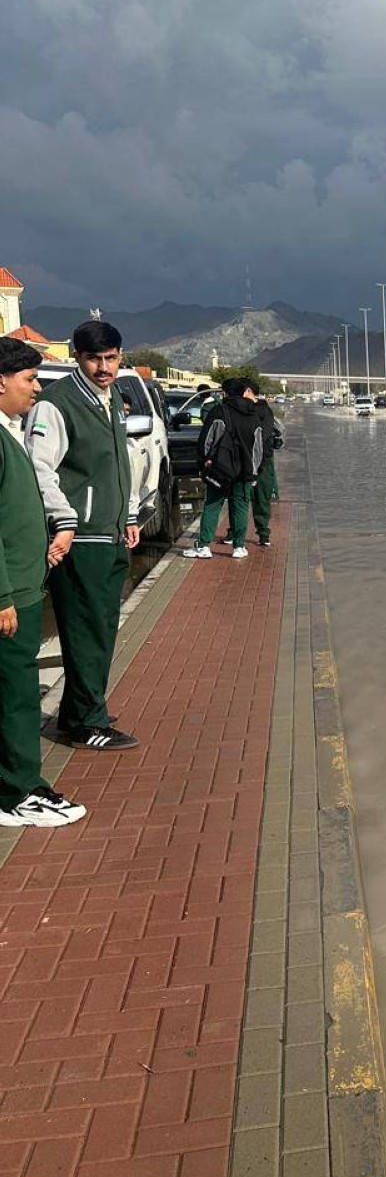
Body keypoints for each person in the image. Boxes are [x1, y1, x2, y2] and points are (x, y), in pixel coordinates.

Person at [25, 317, 140, 751]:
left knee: (103, 628)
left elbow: (120, 463)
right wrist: (66, 519)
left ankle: (80, 709)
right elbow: (39, 468)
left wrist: (129, 514)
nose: (104, 367)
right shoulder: (57, 404)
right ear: (78, 357)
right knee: (86, 630)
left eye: (111, 358)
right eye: (94, 359)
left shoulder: (111, 399)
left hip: (111, 532)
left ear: (121, 356)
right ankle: (86, 723)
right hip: (81, 537)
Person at [0, 338, 89, 826]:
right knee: (16, 694)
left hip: (23, 585)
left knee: (15, 689)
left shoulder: (10, 430)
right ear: (1, 382)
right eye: (30, 379)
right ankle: (18, 792)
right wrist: (3, 596)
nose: (36, 389)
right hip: (10, 593)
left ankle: (17, 782)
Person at [184, 377, 263, 560]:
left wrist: (203, 462)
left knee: (213, 505)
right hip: (245, 471)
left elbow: (206, 440)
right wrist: (254, 471)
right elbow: (258, 447)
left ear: (225, 393)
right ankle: (239, 547)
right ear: (244, 392)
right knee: (241, 507)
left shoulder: (219, 411)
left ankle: (204, 546)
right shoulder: (253, 414)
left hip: (220, 469)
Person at [251, 388, 282, 548]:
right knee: (261, 499)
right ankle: (263, 534)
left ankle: (236, 536)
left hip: (253, 459)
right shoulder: (266, 411)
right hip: (263, 460)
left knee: (241, 500)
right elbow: (279, 431)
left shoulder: (257, 410)